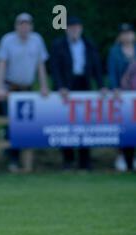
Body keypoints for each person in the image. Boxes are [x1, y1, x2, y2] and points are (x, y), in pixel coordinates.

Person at [0, 12, 49, 172]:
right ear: (16, 25)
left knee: (28, 126)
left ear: (31, 26)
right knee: (11, 125)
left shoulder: (37, 40)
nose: (24, 27)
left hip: (28, 90)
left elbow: (40, 65)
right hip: (11, 89)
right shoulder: (7, 40)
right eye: (21, 24)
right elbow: (2, 64)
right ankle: (12, 160)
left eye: (27, 24)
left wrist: (44, 86)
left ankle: (27, 162)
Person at [51, 16, 106, 170]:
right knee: (65, 123)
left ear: (81, 28)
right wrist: (60, 86)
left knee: (85, 123)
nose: (74, 30)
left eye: (77, 27)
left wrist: (101, 85)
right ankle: (68, 159)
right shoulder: (59, 45)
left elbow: (96, 67)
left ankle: (85, 160)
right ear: (66, 29)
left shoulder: (88, 44)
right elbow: (55, 68)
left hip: (84, 84)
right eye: (71, 27)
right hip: (67, 86)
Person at [108, 23, 136, 172]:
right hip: (123, 98)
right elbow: (112, 73)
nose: (127, 35)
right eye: (124, 33)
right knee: (125, 127)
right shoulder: (115, 52)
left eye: (129, 32)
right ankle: (123, 157)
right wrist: (115, 88)